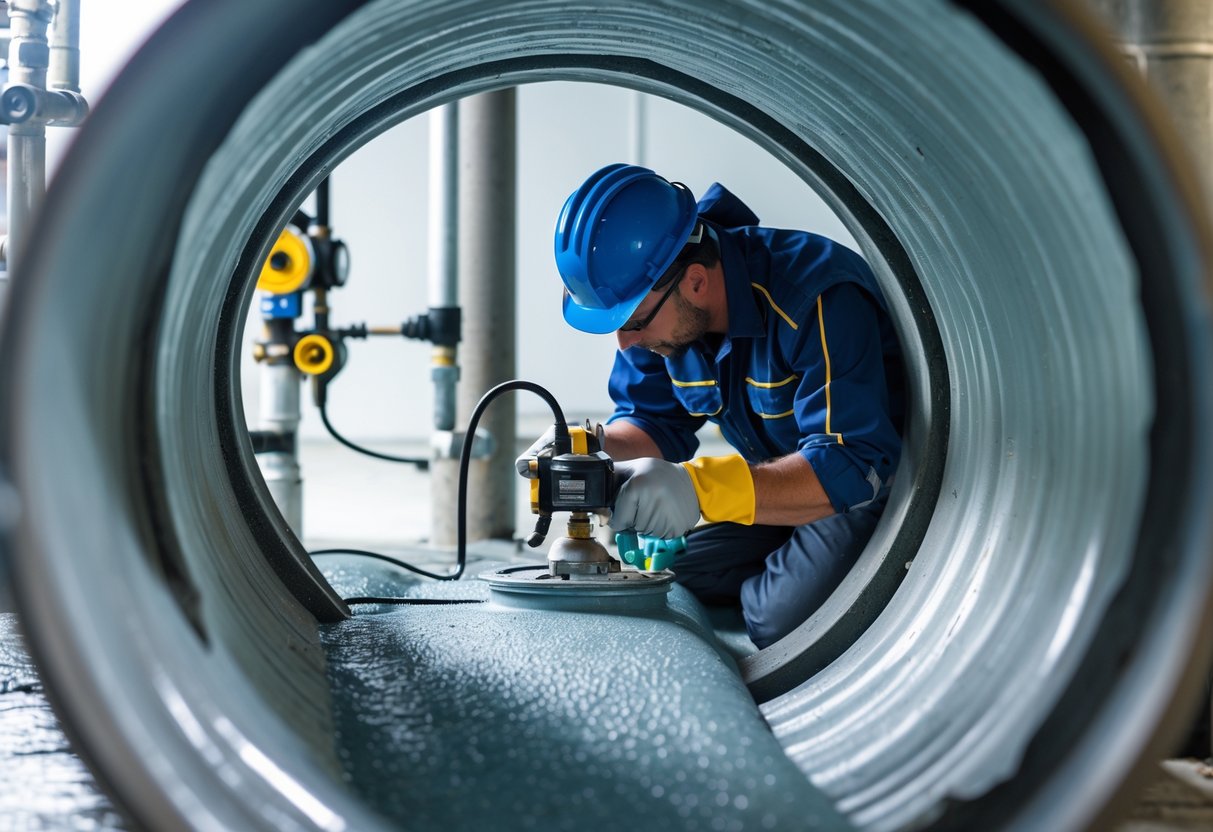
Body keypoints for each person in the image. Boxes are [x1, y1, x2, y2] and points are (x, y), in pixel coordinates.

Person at [523, 163, 905, 649]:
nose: (626, 344)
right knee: (661, 574)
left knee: (775, 618)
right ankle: (793, 566)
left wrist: (699, 490)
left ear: (697, 281)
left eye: (635, 321)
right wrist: (589, 448)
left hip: (866, 489)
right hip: (775, 480)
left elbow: (851, 463)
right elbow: (654, 421)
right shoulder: (669, 317)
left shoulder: (816, 298)